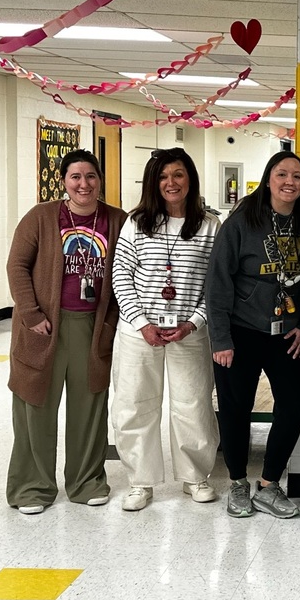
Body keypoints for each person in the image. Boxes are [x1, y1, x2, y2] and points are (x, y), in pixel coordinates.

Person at [6, 149, 127, 515]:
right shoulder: (42, 217)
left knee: (89, 407)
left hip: (92, 329)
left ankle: (86, 480)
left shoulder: (117, 221)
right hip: (44, 328)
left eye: (90, 176)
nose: (83, 184)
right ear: (63, 181)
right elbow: (16, 265)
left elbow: (127, 273)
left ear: (100, 180)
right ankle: (32, 486)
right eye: (75, 176)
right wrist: (30, 313)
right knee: (34, 404)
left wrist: (112, 321)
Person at [206, 151, 300, 519]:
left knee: (295, 404)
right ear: (268, 178)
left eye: (297, 177)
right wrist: (220, 339)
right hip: (241, 332)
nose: (290, 182)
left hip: (288, 334)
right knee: (235, 409)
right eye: (282, 174)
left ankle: (269, 485)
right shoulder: (241, 221)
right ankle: (237, 483)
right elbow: (218, 282)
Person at [110, 148, 221, 512]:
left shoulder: (208, 225)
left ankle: (195, 476)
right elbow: (121, 275)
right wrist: (142, 323)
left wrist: (194, 322)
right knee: (135, 405)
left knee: (194, 404)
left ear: (190, 178)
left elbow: (216, 284)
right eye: (162, 177)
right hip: (139, 332)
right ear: (153, 183)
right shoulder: (136, 222)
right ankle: (141, 483)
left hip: (189, 331)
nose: (170, 183)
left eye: (178, 175)